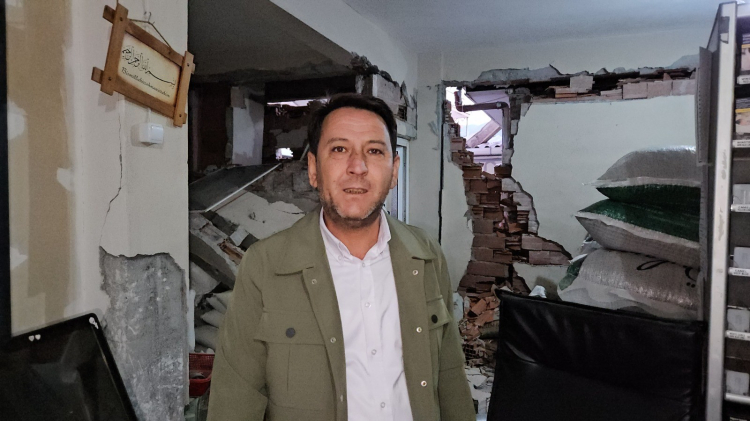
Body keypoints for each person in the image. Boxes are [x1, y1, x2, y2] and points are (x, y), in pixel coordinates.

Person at [207, 93, 475, 421]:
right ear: (313, 169)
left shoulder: (426, 255)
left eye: (374, 151)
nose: (357, 167)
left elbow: (449, 376)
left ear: (394, 171)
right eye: (338, 149)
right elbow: (235, 399)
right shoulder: (266, 265)